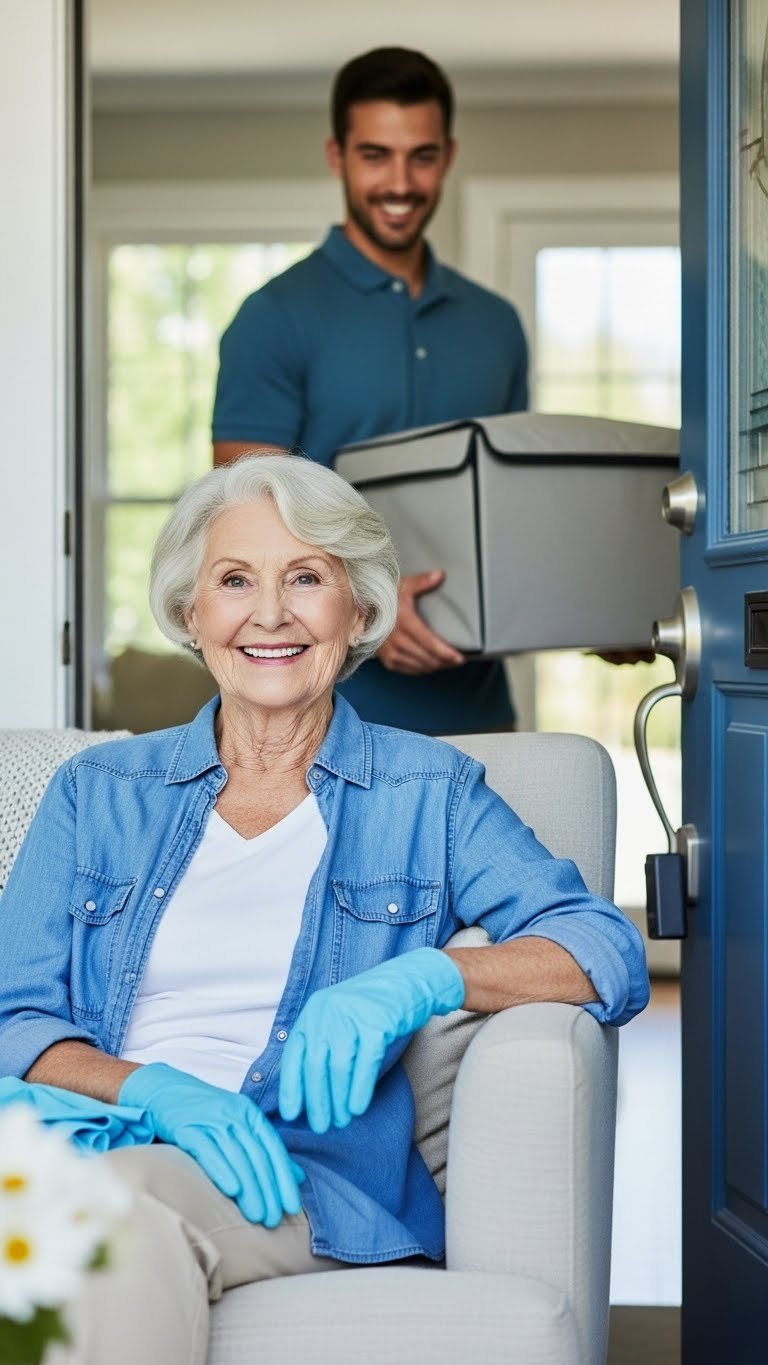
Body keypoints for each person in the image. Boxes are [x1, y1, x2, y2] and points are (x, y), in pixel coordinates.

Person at [0, 454, 649, 1364]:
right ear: (194, 613)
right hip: (87, 1131)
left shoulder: (432, 794)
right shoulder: (96, 793)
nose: (270, 614)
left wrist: (426, 977)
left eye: (306, 577)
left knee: (105, 1216)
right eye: (235, 581)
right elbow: (12, 1016)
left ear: (358, 611)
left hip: (290, 1173)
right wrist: (148, 1085)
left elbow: (606, 949)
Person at [212, 47, 529, 737]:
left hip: (482, 717)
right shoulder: (275, 316)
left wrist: (597, 607)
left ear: (447, 155)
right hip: (328, 720)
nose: (400, 182)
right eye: (375, 155)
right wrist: (371, 617)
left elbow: (514, 510)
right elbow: (249, 522)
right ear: (337, 155)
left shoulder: (495, 324)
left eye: (420, 156)